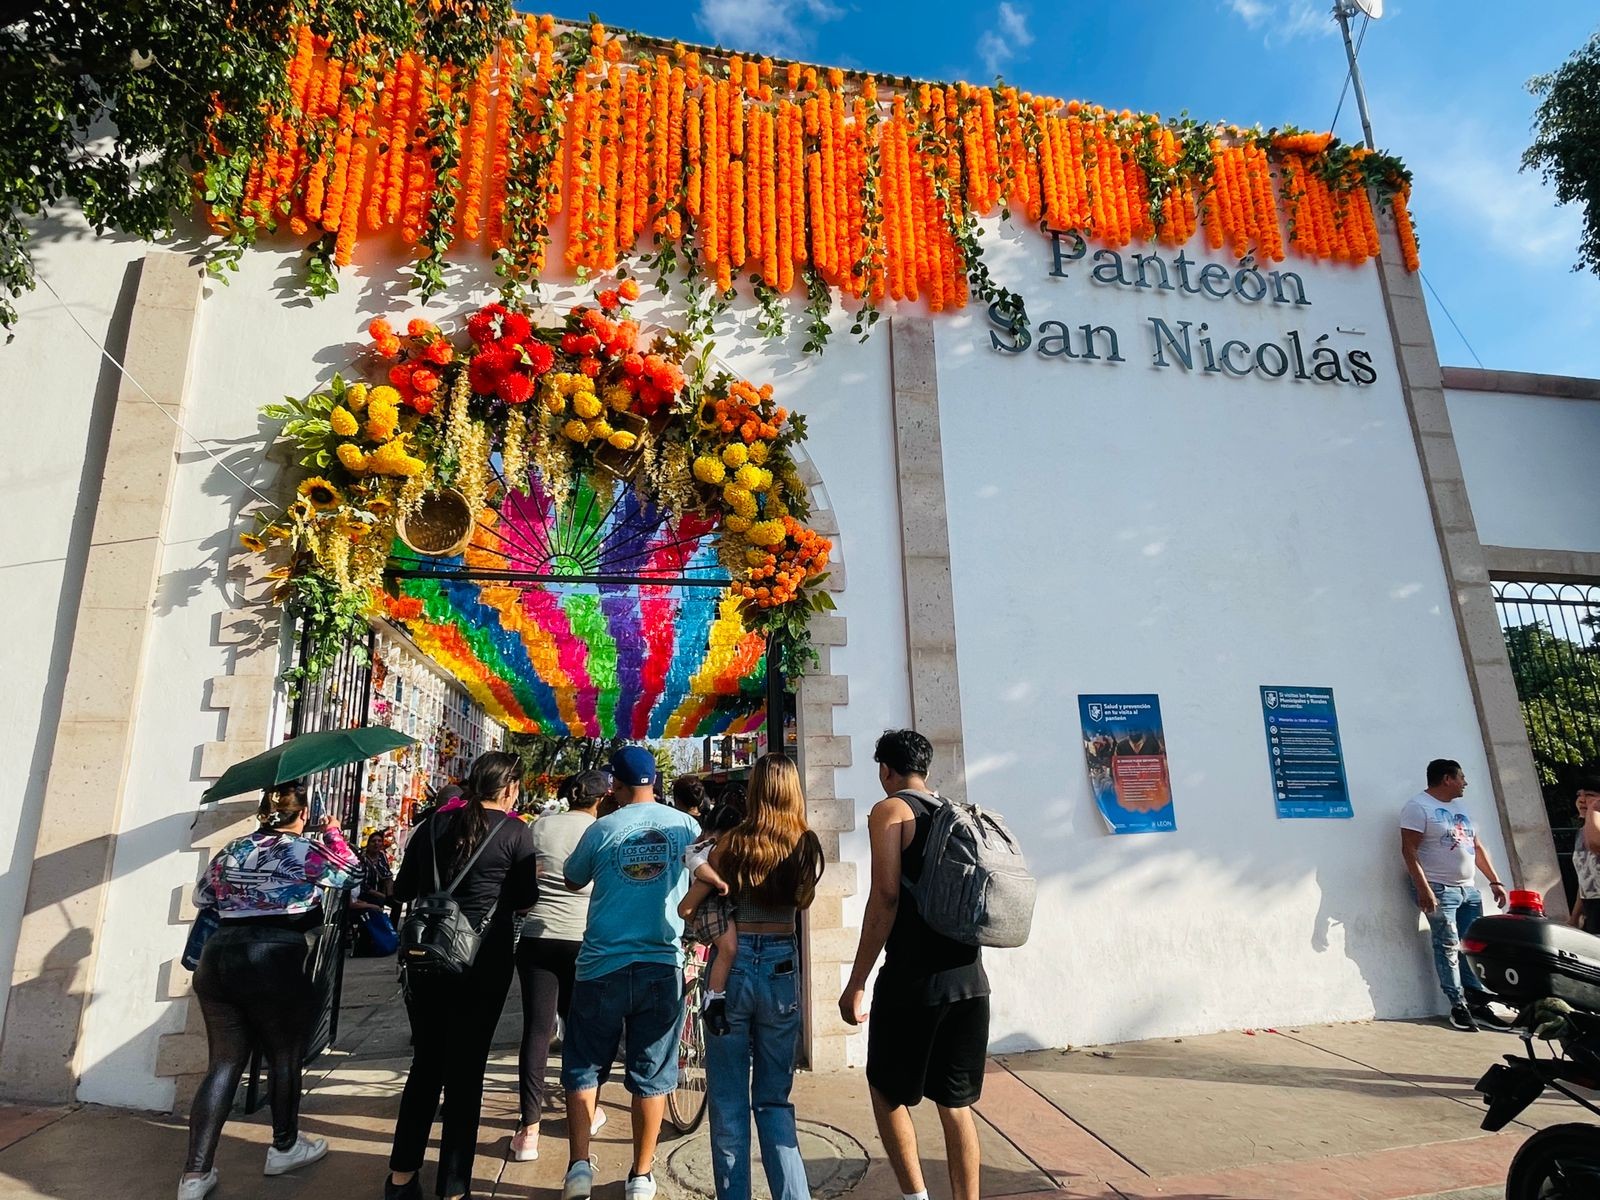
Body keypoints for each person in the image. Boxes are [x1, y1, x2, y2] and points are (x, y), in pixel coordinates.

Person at [178, 784, 359, 1200]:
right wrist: (332, 835)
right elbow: (352, 875)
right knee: (283, 1053)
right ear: (302, 816)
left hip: (219, 956)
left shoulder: (233, 849)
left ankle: (195, 1173)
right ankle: (284, 1145)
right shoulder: (305, 850)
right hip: (273, 954)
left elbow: (202, 895)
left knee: (223, 1062)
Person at [839, 730, 988, 1200]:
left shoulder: (891, 810)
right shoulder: (955, 812)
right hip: (970, 978)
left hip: (914, 978)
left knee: (885, 1089)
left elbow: (884, 898)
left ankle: (916, 1197)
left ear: (886, 769)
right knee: (956, 1103)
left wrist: (856, 982)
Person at [385, 752, 539, 1200]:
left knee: (426, 1066)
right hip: (481, 962)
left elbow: (405, 886)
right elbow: (525, 897)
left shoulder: (434, 825)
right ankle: (453, 1186)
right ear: (510, 789)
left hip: (425, 955)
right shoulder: (514, 831)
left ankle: (401, 1178)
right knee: (467, 1073)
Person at [560, 745, 701, 1200]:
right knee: (653, 1074)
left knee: (584, 1068)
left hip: (601, 964)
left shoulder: (601, 828)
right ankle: (640, 1175)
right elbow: (704, 875)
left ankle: (578, 1168)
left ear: (614, 786)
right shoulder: (685, 825)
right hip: (662, 963)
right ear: (655, 782)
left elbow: (572, 878)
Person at [682, 754, 824, 1200]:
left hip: (735, 965)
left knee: (727, 1101)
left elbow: (689, 904)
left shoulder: (733, 842)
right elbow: (802, 903)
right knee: (774, 1099)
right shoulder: (805, 843)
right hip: (781, 964)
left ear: (755, 789)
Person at [511, 770, 611, 1162]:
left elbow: (522, 878)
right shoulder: (602, 830)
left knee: (537, 1031)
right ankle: (587, 1112)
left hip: (537, 934)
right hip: (585, 938)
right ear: (601, 798)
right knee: (583, 1032)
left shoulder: (538, 826)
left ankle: (529, 1130)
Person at [1399, 759, 1512, 1032]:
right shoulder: (1418, 807)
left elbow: (1476, 846)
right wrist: (1423, 887)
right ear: (1447, 778)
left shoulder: (1461, 807)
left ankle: (1476, 1001)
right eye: (1461, 777)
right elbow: (1409, 850)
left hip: (1468, 889)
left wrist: (1494, 880)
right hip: (1438, 888)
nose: (1465, 783)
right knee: (1447, 944)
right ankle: (1457, 1004)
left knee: (1471, 946)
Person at [1568, 778, 1600, 934]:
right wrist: (1574, 917)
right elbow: (1585, 878)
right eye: (1579, 795)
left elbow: (1596, 844)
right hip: (1592, 908)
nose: (1581, 800)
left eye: (1588, 795)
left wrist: (1593, 810)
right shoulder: (1580, 834)